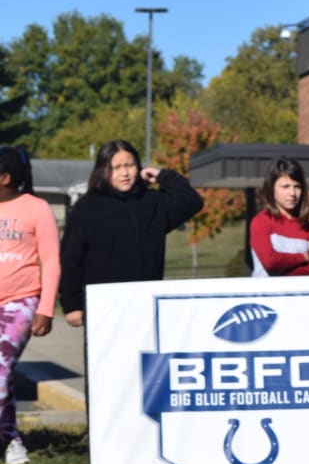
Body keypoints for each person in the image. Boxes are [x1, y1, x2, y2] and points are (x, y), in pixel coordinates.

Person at [60, 140, 204, 328]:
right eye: (116, 167)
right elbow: (71, 260)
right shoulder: (86, 209)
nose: (125, 173)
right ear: (103, 171)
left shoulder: (153, 203)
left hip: (146, 305)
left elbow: (192, 201)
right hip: (102, 308)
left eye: (130, 165)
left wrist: (162, 176)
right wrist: (72, 304)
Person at [0, 147, 60, 464]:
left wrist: (46, 307)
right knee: (4, 378)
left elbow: (50, 261)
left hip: (20, 303)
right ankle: (11, 440)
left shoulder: (36, 209)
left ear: (5, 178)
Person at [249, 157, 309, 277]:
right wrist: (303, 257)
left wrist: (281, 270)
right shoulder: (261, 222)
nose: (292, 193)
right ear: (271, 188)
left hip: (303, 295)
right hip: (267, 295)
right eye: (285, 186)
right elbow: (271, 262)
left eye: (297, 187)